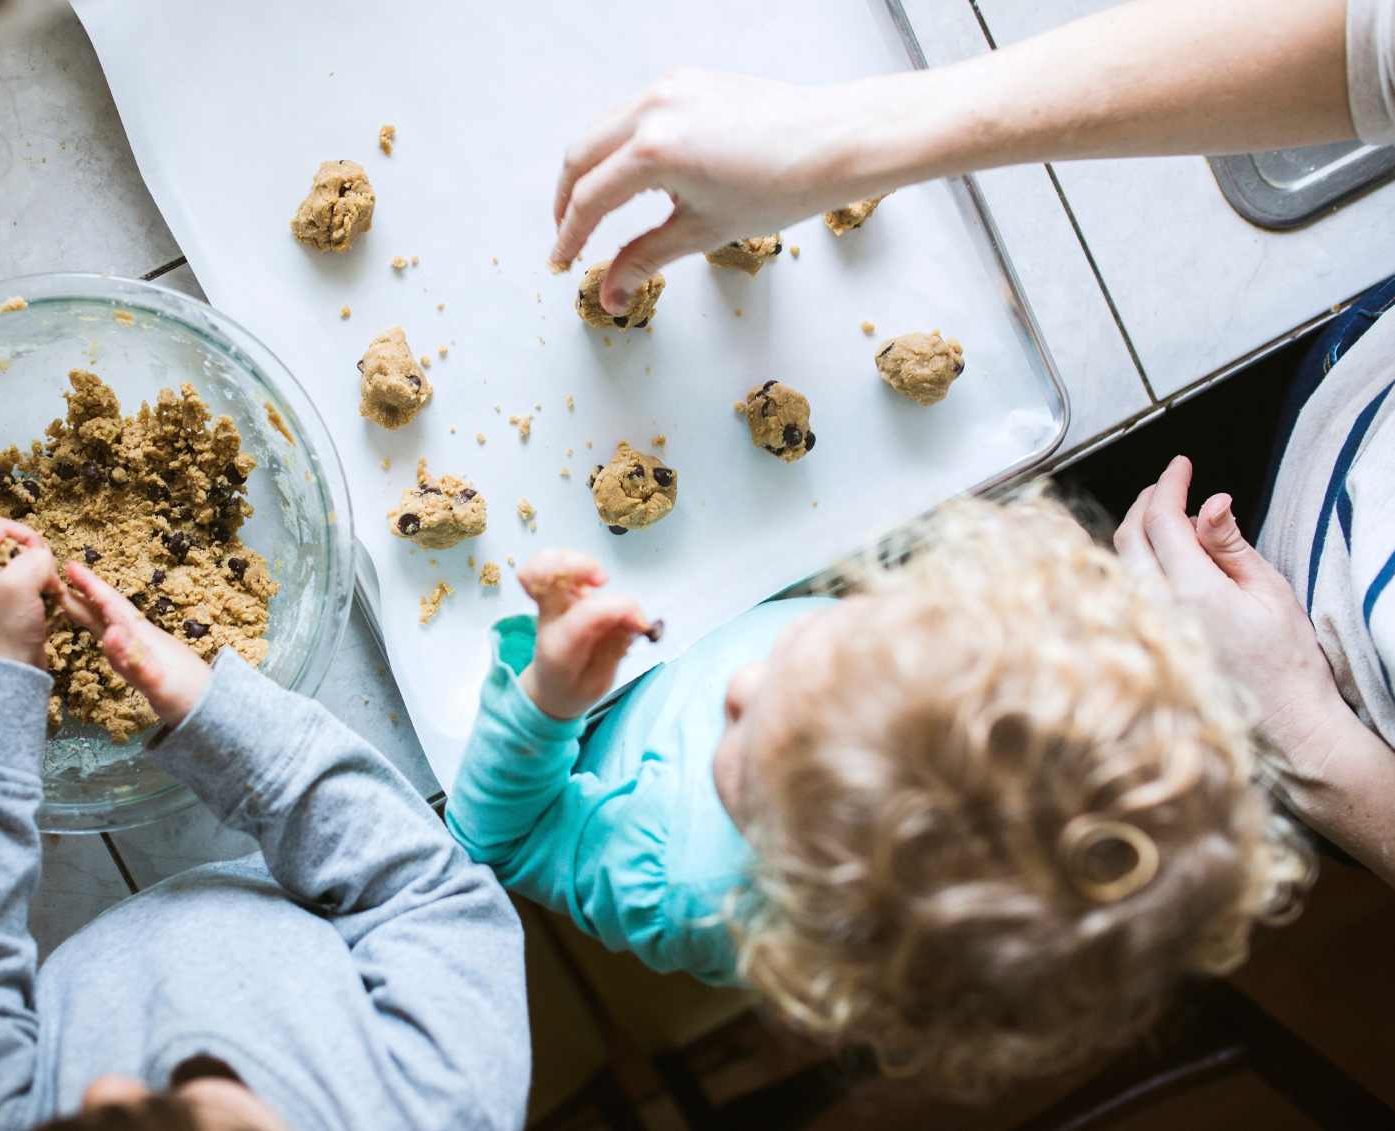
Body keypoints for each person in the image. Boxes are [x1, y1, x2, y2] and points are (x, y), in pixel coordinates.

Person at [548, 0, 1395, 885]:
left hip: (1297, 703)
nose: (746, 686)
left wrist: (1306, 737)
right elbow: (1367, 43)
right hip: (1347, 390)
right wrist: (843, 139)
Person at [447, 490, 1311, 1097]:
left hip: (561, 719)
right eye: (810, 647)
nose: (740, 686)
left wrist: (546, 701)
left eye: (747, 752)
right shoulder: (926, 674)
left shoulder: (683, 890)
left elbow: (501, 841)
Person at [0, 518, 530, 1131]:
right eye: (166, 1093)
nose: (94, 1091)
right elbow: (417, 883)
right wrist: (213, 712)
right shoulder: (454, 1098)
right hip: (303, 901)